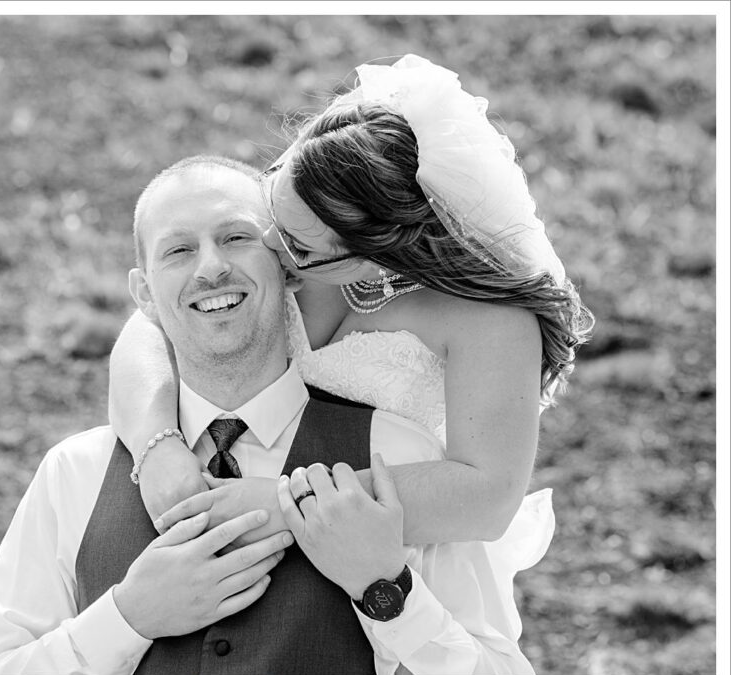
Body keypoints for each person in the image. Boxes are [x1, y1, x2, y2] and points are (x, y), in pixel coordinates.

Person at [0, 155, 543, 675]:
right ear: (143, 294)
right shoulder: (74, 473)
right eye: (178, 251)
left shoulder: (399, 458)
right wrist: (126, 619)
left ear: (291, 269)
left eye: (237, 238)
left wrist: (387, 593)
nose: (210, 267)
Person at [108, 55, 592, 565]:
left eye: (294, 245)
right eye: (274, 203)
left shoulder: (492, 321)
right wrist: (156, 446)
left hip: (399, 556)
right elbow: (149, 325)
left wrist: (287, 504)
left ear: (373, 257)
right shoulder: (289, 232)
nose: (269, 244)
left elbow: (488, 498)